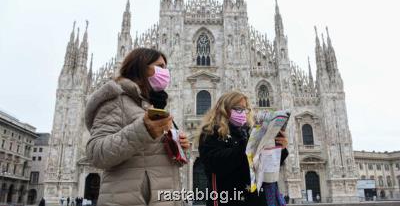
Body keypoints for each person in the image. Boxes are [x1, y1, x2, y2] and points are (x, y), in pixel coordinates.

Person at [85, 48, 190, 206]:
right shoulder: (116, 100)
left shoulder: (154, 104)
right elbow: (96, 153)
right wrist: (143, 130)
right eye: (160, 67)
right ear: (141, 67)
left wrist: (178, 147)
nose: (165, 72)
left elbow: (151, 157)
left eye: (166, 68)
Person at [198, 91, 289, 206]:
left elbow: (264, 167)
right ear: (224, 109)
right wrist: (247, 145)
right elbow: (215, 163)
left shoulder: (248, 131)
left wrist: (278, 148)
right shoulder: (210, 133)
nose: (243, 113)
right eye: (238, 108)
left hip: (255, 199)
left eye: (246, 109)